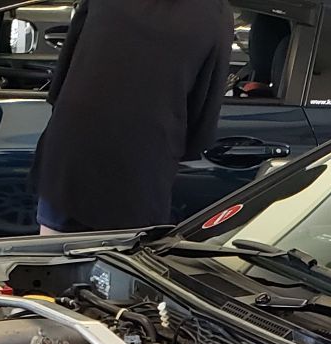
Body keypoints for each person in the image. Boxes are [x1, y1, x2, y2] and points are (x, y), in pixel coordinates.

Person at [32, 0, 232, 235]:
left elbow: (66, 64)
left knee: (53, 249)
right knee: (124, 251)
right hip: (143, 161)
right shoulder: (214, 11)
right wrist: (188, 146)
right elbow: (207, 95)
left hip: (72, 150)